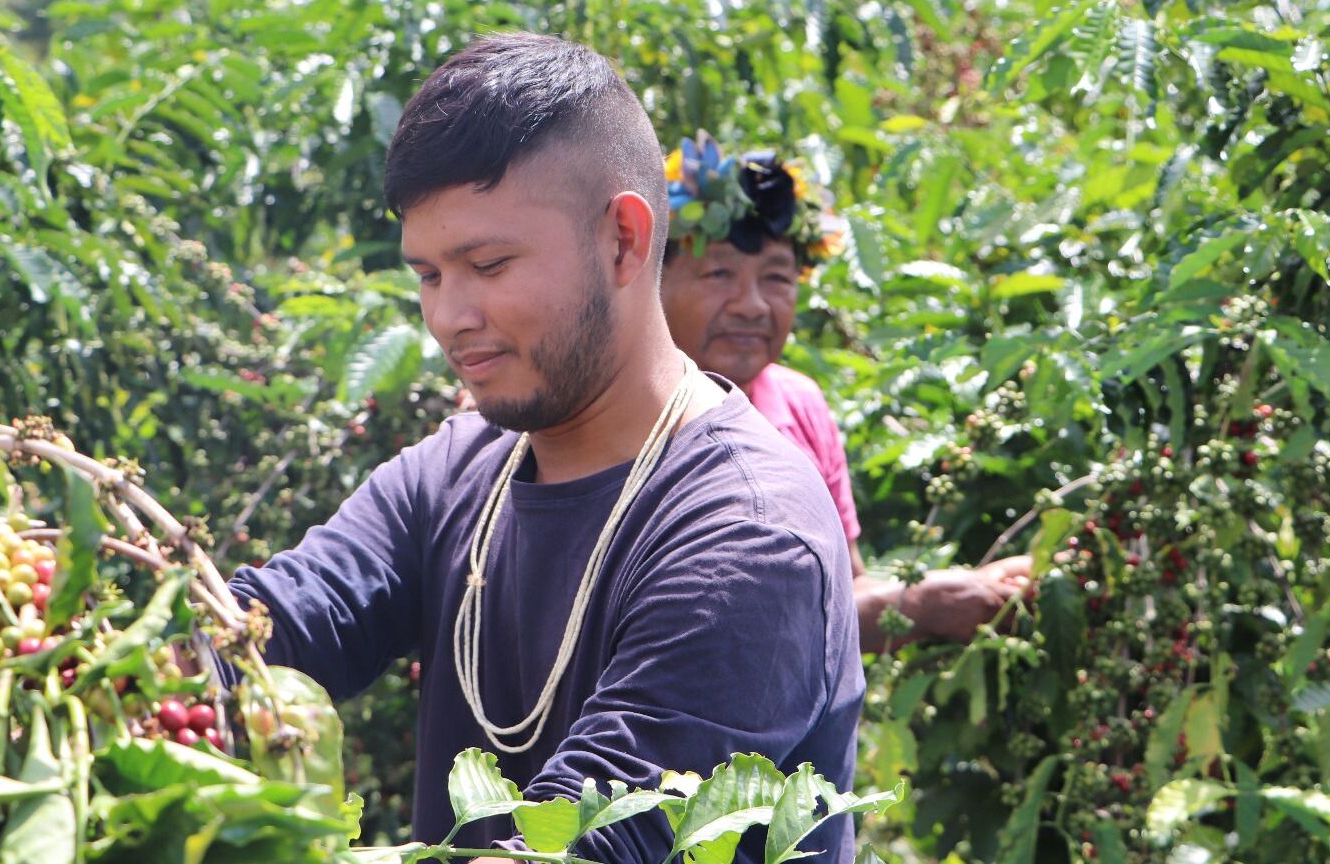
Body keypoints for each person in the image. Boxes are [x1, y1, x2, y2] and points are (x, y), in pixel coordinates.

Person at [224, 34, 862, 863]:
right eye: (429, 275)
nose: (451, 315)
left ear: (624, 241)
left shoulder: (746, 531)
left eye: (487, 264)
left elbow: (575, 844)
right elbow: (271, 628)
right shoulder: (456, 471)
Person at [656, 133, 1033, 653]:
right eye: (719, 273)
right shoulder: (625, 418)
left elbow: (842, 587)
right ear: (650, 278)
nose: (753, 305)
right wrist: (916, 607)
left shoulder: (799, 404)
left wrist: (973, 587)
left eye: (777, 278)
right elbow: (725, 634)